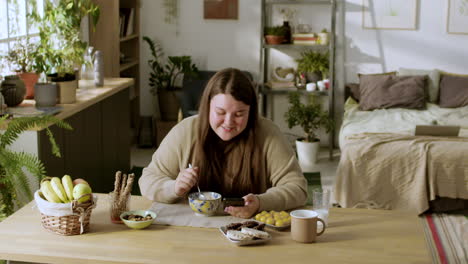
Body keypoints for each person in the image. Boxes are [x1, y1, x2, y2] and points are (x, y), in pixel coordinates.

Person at [139, 68, 307, 218]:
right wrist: (174, 187)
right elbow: (147, 181)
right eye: (220, 112)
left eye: (239, 114)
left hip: (250, 230)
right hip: (191, 228)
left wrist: (261, 202)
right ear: (207, 107)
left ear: (251, 111)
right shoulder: (186, 131)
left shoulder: (267, 133)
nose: (229, 122)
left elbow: (298, 189)